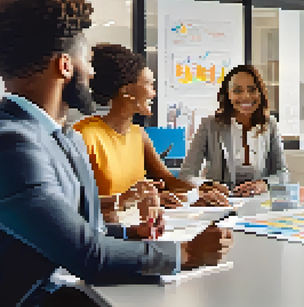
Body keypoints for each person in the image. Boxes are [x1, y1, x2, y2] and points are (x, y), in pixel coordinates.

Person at [0, 0, 232, 306]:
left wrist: (133, 235)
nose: (93, 72)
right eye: (88, 62)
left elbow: (85, 231)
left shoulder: (63, 137)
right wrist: (186, 252)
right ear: (64, 66)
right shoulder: (8, 144)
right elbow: (88, 256)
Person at [73, 44, 228, 222]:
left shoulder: (138, 135)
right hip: (107, 234)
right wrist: (133, 201)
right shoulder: (84, 135)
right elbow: (76, 201)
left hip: (141, 229)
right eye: (149, 84)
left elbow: (168, 181)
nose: (154, 93)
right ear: (127, 90)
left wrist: (203, 189)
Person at [179, 65, 287, 197]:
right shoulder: (210, 125)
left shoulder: (270, 124)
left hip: (259, 204)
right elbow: (186, 175)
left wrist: (264, 184)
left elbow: (282, 174)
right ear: (227, 95)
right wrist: (207, 185)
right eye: (237, 91)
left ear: (260, 93)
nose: (246, 96)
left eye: (252, 90)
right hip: (220, 203)